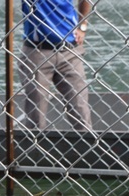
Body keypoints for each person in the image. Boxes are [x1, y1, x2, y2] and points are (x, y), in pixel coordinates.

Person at [18, 0, 93, 132]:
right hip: (37, 51)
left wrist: (83, 25)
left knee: (80, 110)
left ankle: (87, 148)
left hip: (70, 50)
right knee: (36, 116)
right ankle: (35, 151)